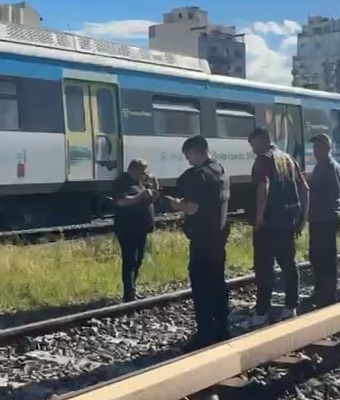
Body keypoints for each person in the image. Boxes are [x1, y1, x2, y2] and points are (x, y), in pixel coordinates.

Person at [165, 136, 231, 352]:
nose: (188, 160)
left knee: (202, 287)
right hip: (219, 237)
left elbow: (193, 207)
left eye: (188, 155)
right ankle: (222, 329)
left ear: (196, 151)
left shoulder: (200, 176)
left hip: (202, 240)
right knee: (218, 285)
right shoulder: (220, 171)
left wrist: (178, 205)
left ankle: (204, 333)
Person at [246, 127, 309, 328]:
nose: (253, 149)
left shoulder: (264, 159)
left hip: (269, 222)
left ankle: (262, 312)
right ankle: (291, 307)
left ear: (264, 139)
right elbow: (305, 189)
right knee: (289, 264)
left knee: (264, 268)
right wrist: (302, 217)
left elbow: (264, 187)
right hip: (288, 220)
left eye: (253, 144)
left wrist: (259, 217)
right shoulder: (288, 159)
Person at [112, 159, 158, 302]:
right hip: (127, 228)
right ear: (133, 170)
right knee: (130, 260)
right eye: (142, 171)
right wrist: (140, 196)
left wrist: (154, 190)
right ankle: (128, 294)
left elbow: (148, 201)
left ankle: (133, 289)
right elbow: (121, 201)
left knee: (139, 259)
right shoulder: (122, 182)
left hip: (141, 228)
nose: (144, 174)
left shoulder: (141, 183)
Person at [307, 133, 340, 308]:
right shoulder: (320, 166)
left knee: (327, 259)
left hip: (327, 219)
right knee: (317, 257)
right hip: (316, 218)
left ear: (328, 148)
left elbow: (335, 196)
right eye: (315, 147)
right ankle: (319, 291)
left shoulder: (331, 167)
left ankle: (328, 295)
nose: (316, 151)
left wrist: (336, 219)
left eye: (319, 147)